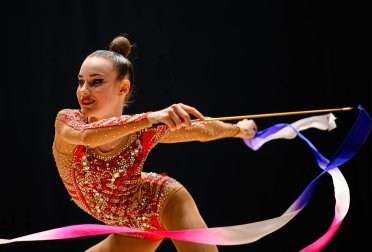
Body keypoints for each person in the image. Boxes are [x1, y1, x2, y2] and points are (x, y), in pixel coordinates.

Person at [52, 34, 257, 252]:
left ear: (123, 88)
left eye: (96, 82)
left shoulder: (141, 132)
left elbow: (200, 130)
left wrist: (239, 130)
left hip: (161, 202)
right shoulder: (68, 121)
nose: (84, 90)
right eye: (80, 81)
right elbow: (87, 136)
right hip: (130, 226)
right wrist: (150, 117)